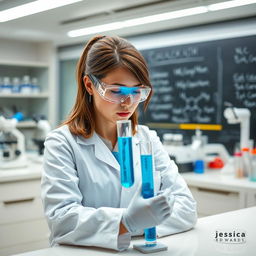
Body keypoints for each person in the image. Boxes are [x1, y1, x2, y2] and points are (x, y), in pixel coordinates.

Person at [41, 35, 197, 251]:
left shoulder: (147, 138)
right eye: (116, 91)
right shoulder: (62, 142)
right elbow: (63, 220)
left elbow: (186, 208)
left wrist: (127, 226)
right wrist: (127, 221)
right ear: (89, 85)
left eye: (136, 91)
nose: (128, 102)